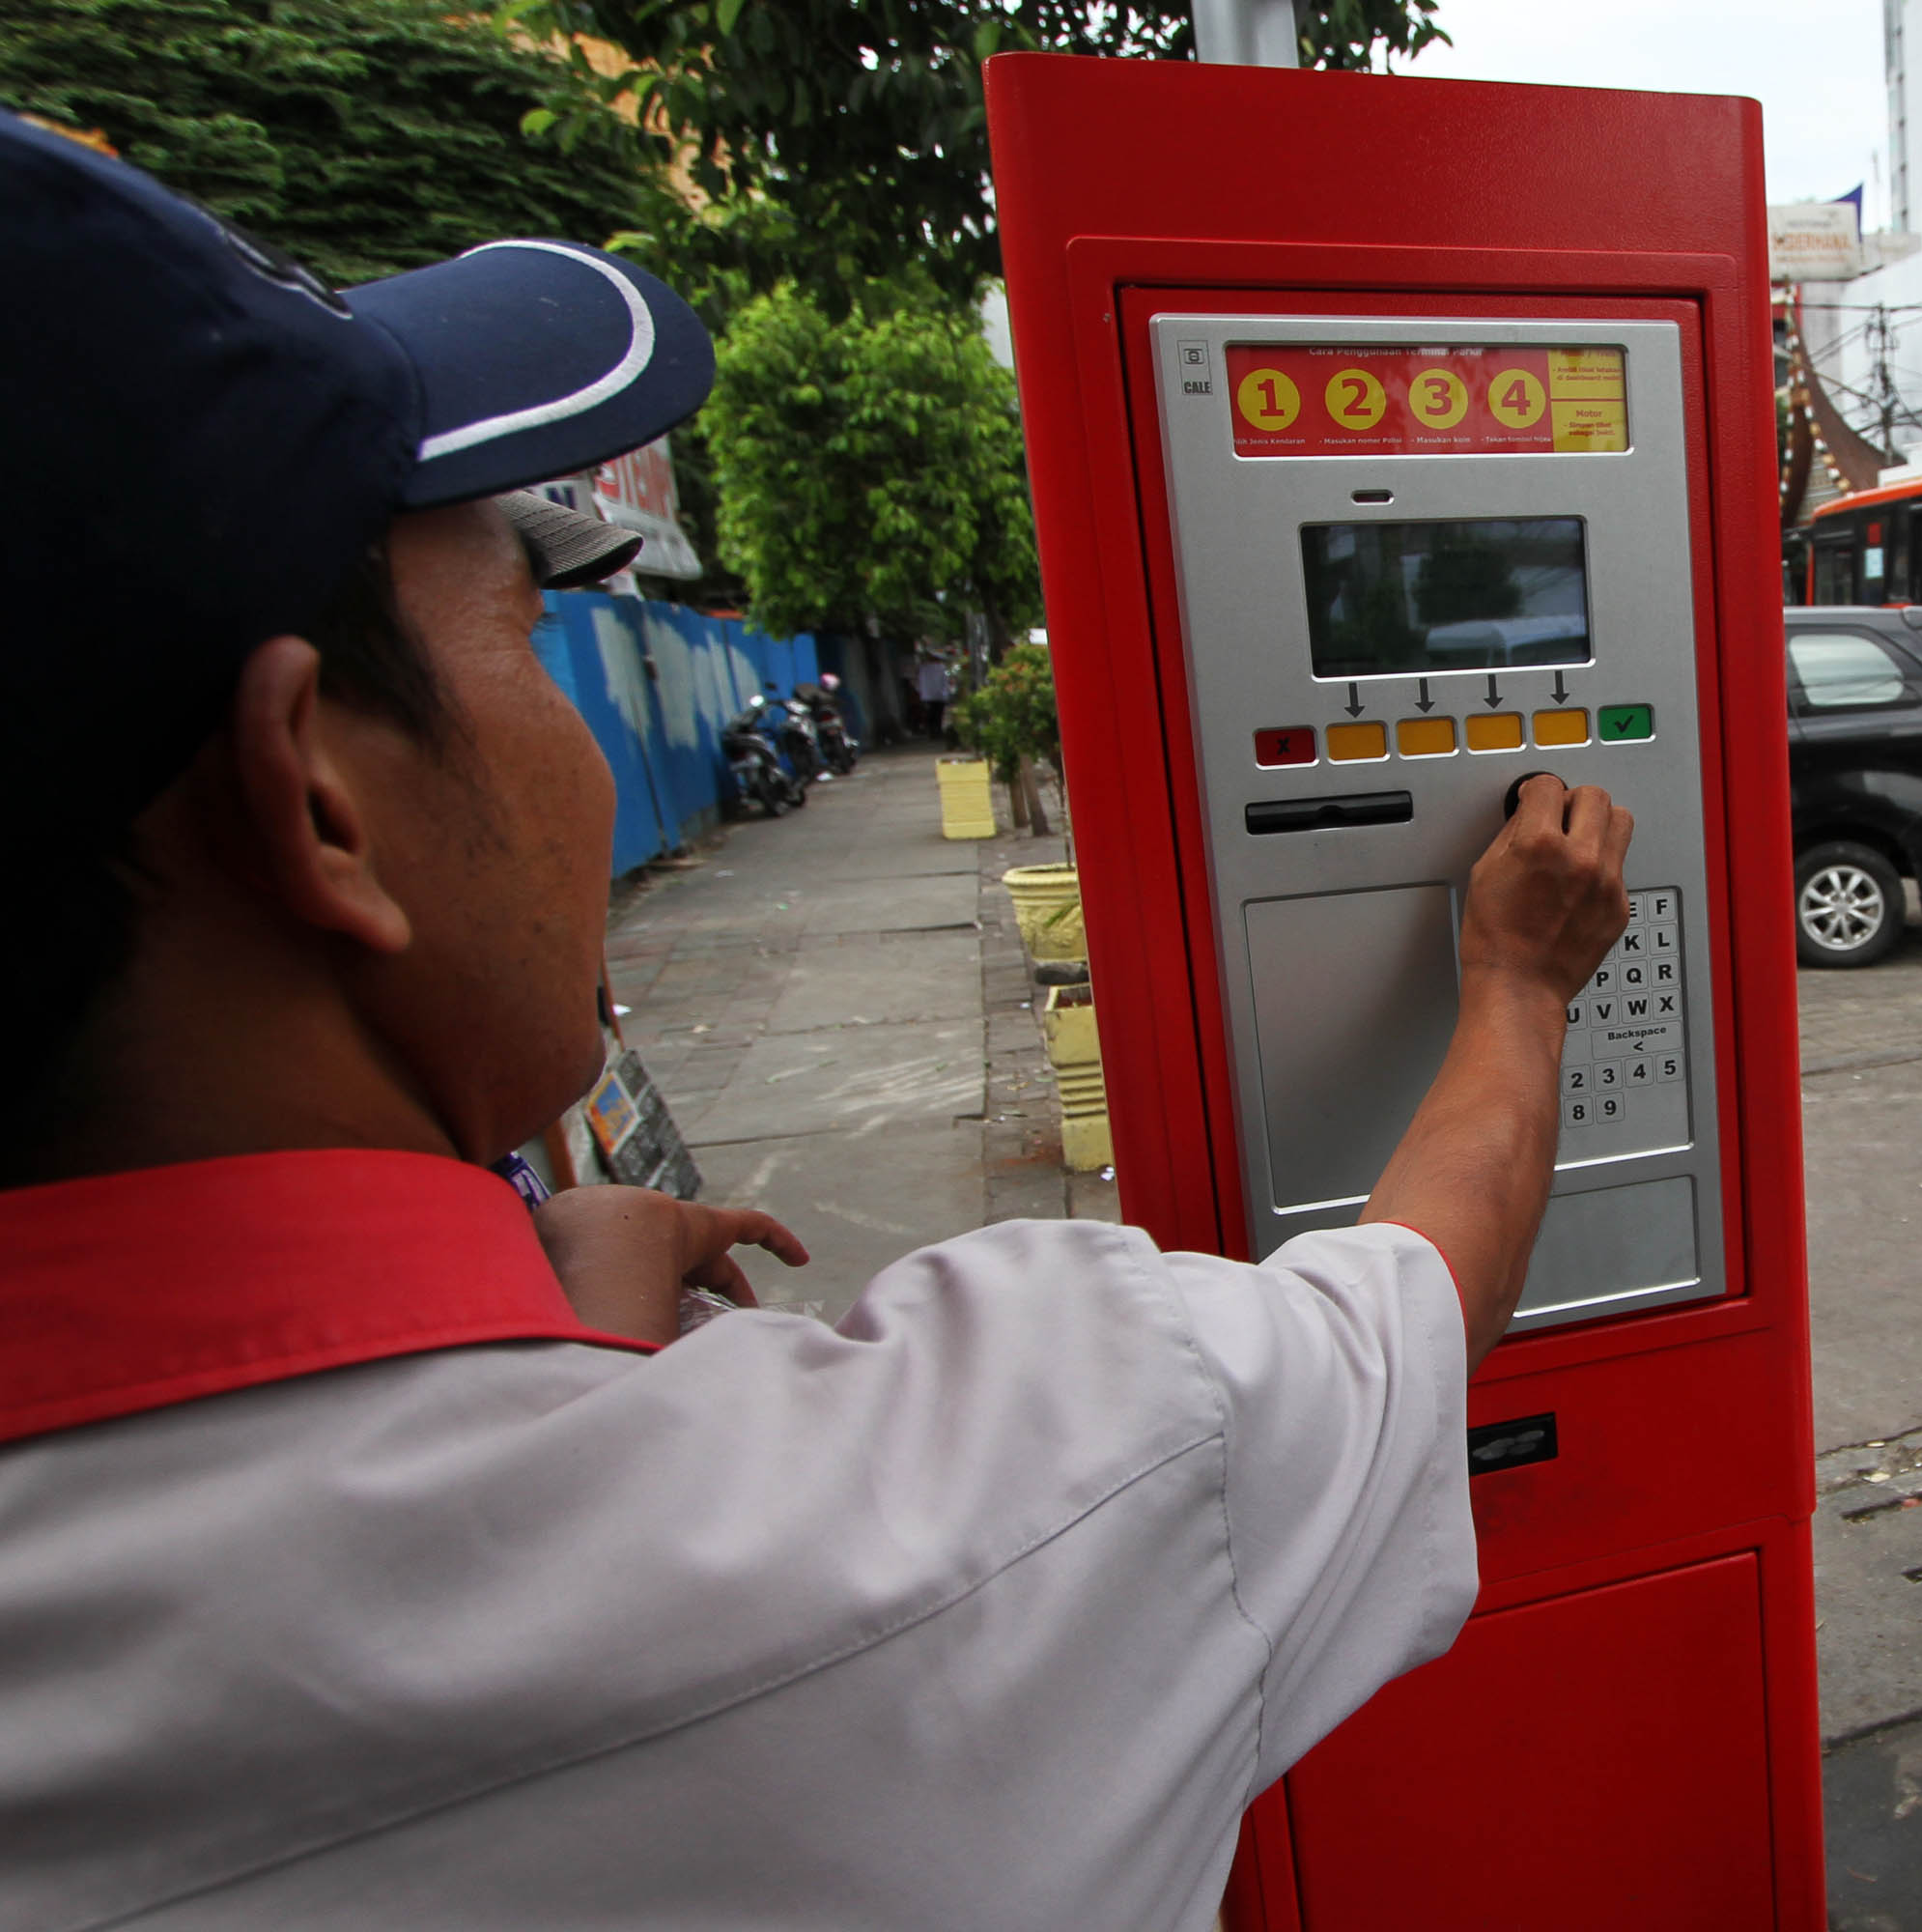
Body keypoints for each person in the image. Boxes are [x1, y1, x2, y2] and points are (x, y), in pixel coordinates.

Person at [0, 118, 1634, 1929]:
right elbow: (1416, 1293)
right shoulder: (983, 1487)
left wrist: (558, 1317)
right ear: (314, 802)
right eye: (527, 637)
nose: (566, 746)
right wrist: (1516, 983)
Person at [915, 651, 956, 735]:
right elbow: (945, 682)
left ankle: (932, 731)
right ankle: (937, 730)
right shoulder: (941, 668)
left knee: (930, 714)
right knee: (938, 714)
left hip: (927, 696)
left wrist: (920, 692)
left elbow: (920, 681)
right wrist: (946, 692)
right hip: (939, 695)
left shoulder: (924, 668)